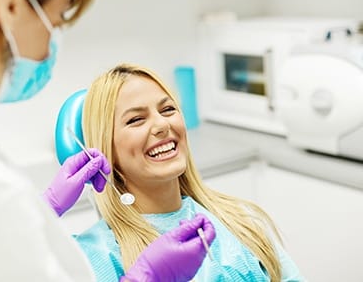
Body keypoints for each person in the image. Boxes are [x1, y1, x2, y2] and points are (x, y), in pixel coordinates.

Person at [0, 0, 216, 281]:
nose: (50, 47)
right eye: (56, 21)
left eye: (167, 109)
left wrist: (45, 207)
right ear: (12, 4)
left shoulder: (238, 221)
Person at [74, 62, 307, 281]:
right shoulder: (95, 256)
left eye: (167, 109)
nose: (162, 125)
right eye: (136, 119)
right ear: (106, 149)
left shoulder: (240, 220)